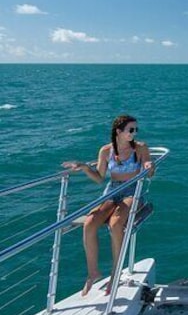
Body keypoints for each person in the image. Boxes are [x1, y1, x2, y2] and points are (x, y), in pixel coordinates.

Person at [63, 114, 154, 296]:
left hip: (133, 190)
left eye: (136, 130)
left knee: (115, 223)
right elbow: (99, 178)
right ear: (119, 132)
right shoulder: (106, 151)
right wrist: (84, 167)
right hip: (112, 191)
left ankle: (115, 272)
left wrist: (150, 166)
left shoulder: (141, 148)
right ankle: (93, 273)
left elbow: (149, 174)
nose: (134, 133)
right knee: (90, 222)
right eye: (131, 130)